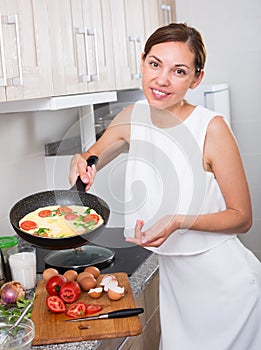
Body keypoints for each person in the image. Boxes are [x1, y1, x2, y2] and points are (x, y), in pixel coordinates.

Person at [69, 23, 261, 350]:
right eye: (155, 64)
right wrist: (82, 160)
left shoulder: (210, 128)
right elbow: (95, 155)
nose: (162, 79)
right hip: (177, 290)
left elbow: (242, 218)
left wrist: (180, 220)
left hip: (226, 290)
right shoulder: (133, 115)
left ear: (196, 79)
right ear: (142, 61)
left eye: (179, 71)